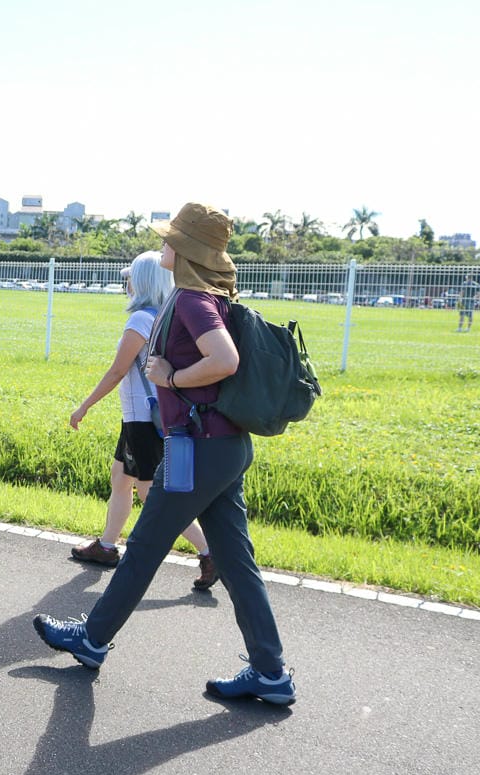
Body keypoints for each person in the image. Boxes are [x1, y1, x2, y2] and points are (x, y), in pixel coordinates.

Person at [33, 203, 295, 706]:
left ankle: (91, 640)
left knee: (147, 544)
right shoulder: (207, 296)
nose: (162, 247)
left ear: (187, 251)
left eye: (170, 240)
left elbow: (225, 360)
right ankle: (270, 672)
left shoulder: (194, 299)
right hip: (225, 446)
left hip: (195, 448)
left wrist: (169, 378)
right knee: (237, 563)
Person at [69, 252, 217, 591]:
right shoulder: (165, 317)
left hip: (141, 419)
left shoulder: (139, 321)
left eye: (130, 278)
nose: (127, 284)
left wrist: (84, 406)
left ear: (143, 282)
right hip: (150, 417)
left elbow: (119, 370)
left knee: (152, 494)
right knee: (121, 479)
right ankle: (106, 546)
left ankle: (210, 552)